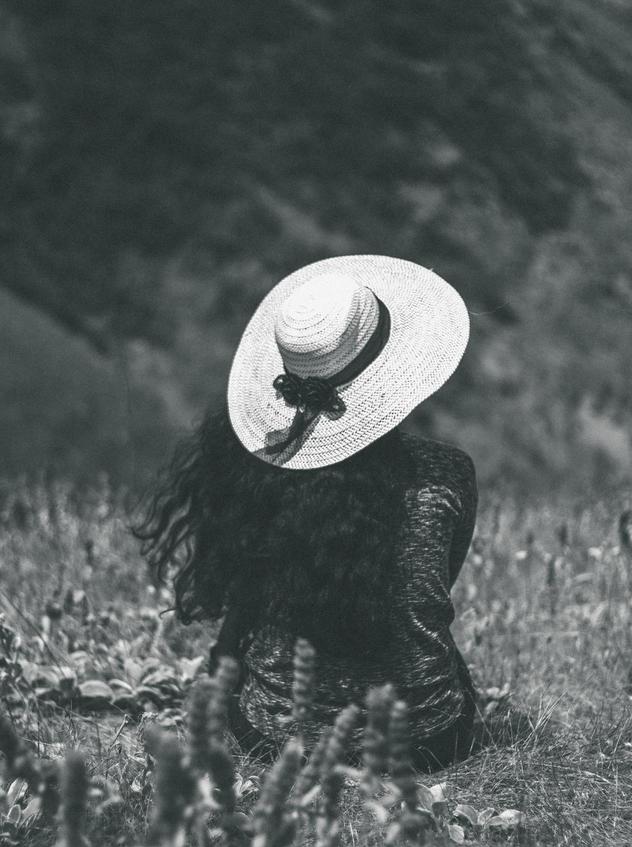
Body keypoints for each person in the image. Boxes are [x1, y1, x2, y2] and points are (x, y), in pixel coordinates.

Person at [135, 255, 478, 770]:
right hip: (425, 739)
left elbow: (240, 608)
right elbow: (428, 592)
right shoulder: (446, 474)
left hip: (275, 735)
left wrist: (219, 678)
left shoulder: (255, 471)